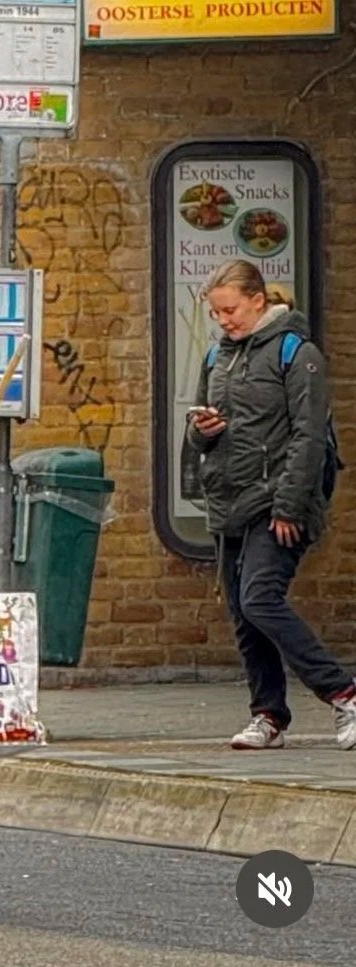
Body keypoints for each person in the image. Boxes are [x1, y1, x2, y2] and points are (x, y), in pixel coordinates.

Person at [187, 259, 354, 751]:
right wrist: (202, 431)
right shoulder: (218, 357)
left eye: (231, 310)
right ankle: (268, 715)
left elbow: (308, 437)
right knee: (243, 612)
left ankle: (342, 691)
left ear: (259, 301)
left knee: (261, 597)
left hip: (277, 503)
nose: (224, 321)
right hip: (229, 501)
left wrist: (288, 506)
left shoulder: (296, 353)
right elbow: (195, 431)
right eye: (216, 314)